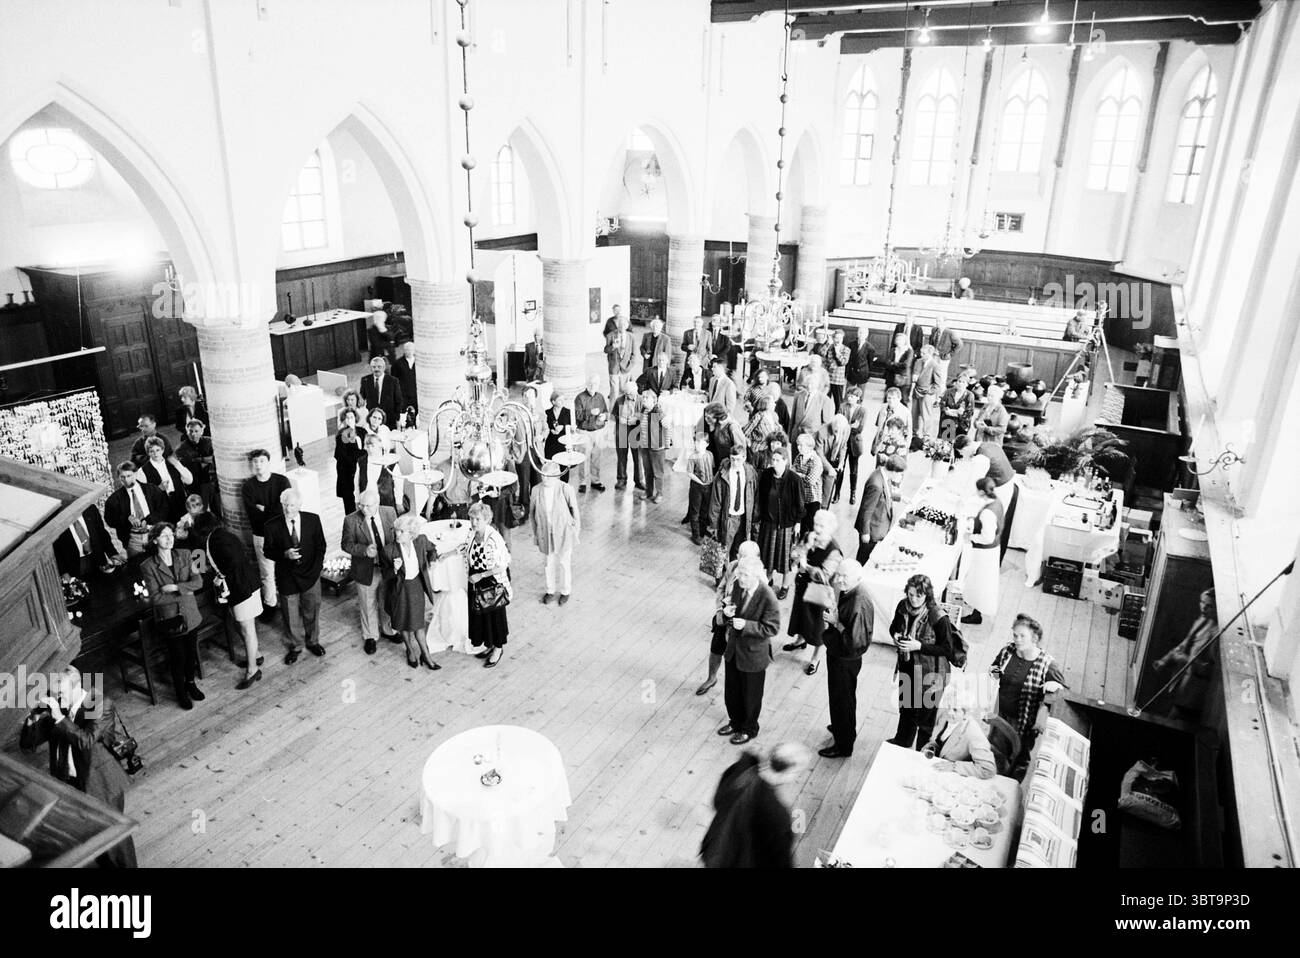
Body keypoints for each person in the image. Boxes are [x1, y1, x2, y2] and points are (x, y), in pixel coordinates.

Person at [20, 665, 138, 867]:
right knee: (91, 834)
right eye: (55, 694)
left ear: (76, 687)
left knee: (114, 837)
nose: (58, 698)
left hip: (99, 782)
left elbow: (86, 741)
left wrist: (59, 717)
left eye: (62, 693)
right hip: (70, 781)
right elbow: (28, 744)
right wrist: (33, 717)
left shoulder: (100, 703)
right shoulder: (60, 705)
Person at [700, 742, 809, 868]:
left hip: (715, 848)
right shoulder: (777, 814)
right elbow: (781, 861)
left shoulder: (740, 770)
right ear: (790, 773)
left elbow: (717, 802)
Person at [890, 573, 959, 749]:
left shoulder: (938, 616)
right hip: (908, 667)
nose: (913, 599)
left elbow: (947, 649)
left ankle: (921, 750)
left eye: (918, 596)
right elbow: (894, 627)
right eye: (911, 594)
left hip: (932, 674)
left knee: (926, 718)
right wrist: (896, 635)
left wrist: (918, 646)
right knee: (906, 709)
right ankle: (902, 741)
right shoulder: (902, 606)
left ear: (927, 595)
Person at [717, 556, 781, 745]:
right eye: (739, 574)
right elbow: (735, 612)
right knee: (732, 690)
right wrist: (728, 612)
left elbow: (772, 628)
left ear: (756, 575)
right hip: (734, 650)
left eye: (744, 575)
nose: (740, 578)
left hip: (753, 655)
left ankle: (749, 728)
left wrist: (746, 625)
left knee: (750, 695)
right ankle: (734, 721)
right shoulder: (739, 586)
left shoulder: (768, 597)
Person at [140, 522, 205, 710]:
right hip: (170, 619)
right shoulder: (148, 566)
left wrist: (176, 588)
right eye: (164, 536)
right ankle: (180, 691)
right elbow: (155, 598)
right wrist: (185, 592)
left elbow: (198, 582)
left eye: (171, 534)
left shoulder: (185, 554)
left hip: (191, 614)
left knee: (191, 653)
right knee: (178, 657)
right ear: (154, 540)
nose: (170, 539)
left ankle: (191, 683)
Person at [990, 614, 1066, 770]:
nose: (1017, 639)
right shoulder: (1007, 651)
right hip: (1001, 713)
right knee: (995, 750)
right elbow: (994, 668)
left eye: (1022, 636)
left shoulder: (1047, 664)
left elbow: (1061, 692)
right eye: (1015, 635)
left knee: (1019, 757)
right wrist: (996, 671)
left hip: (1024, 723)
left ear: (1035, 638)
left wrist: (1053, 686)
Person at [261, 488, 327, 664]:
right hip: (286, 577)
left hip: (310, 575)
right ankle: (296, 646)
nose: (288, 509)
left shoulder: (313, 520)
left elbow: (321, 546)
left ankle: (313, 641)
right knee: (290, 615)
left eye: (292, 505)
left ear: (299, 505)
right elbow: (268, 551)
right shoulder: (271, 525)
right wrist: (284, 554)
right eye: (285, 505)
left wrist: (316, 570)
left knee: (312, 611)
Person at [818, 557, 873, 758]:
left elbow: (854, 641)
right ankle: (843, 729)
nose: (839, 580)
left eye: (844, 577)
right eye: (838, 574)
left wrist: (835, 621)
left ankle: (843, 745)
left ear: (857, 577)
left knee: (843, 700)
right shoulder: (852, 590)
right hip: (839, 653)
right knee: (842, 698)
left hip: (845, 659)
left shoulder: (858, 602)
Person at [204, 521, 264, 689]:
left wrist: (221, 576)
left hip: (242, 589)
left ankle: (252, 670)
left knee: (247, 629)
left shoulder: (214, 542)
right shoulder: (224, 535)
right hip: (247, 584)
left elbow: (232, 562)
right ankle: (256, 655)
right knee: (244, 626)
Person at [783, 509, 843, 676]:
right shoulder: (809, 536)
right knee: (801, 616)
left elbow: (824, 576)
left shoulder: (834, 551)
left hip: (819, 594)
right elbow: (793, 554)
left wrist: (806, 566)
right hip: (803, 587)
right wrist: (807, 546)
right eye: (816, 523)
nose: (817, 528)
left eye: (822, 526)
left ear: (830, 528)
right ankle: (800, 640)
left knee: (818, 627)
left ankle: (815, 658)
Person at [698, 540, 762, 695]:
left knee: (737, 659)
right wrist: (720, 610)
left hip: (742, 625)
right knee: (716, 648)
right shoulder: (733, 566)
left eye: (742, 558)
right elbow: (721, 588)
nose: (738, 559)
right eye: (739, 556)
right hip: (724, 616)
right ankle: (711, 677)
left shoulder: (759, 578)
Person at [341, 488, 399, 655]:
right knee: (368, 603)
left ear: (378, 503)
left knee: (387, 599)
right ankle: (371, 636)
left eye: (368, 506)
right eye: (361, 505)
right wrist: (364, 550)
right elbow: (346, 544)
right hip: (366, 569)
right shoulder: (351, 520)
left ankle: (389, 630)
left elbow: (395, 537)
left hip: (387, 567)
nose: (364, 509)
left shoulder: (389, 512)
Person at [383, 513, 444, 671]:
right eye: (396, 530)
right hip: (399, 590)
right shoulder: (389, 550)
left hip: (416, 587)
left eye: (401, 531)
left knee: (418, 625)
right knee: (403, 623)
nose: (397, 534)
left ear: (411, 534)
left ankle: (426, 655)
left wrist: (431, 560)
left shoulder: (420, 540)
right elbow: (385, 576)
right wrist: (394, 570)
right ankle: (410, 650)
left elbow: (432, 549)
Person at [1151, 589, 1218, 720]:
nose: (1203, 607)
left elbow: (1213, 672)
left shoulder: (1217, 634)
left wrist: (1186, 660)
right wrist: (1165, 660)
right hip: (1180, 682)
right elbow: (1185, 643)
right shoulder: (1202, 620)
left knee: (1173, 720)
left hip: (1194, 694)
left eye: (1209, 606)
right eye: (1202, 602)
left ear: (1217, 608)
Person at [240, 449, 292, 617]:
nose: (258, 465)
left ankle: (289, 604)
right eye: (255, 462)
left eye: (261, 461)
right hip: (261, 535)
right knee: (267, 573)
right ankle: (270, 605)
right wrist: (274, 510)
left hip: (283, 533)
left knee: (286, 569)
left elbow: (288, 508)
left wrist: (266, 509)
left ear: (268, 462)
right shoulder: (248, 487)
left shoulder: (282, 481)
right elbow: (253, 515)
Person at [754, 444, 805, 599]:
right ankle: (767, 583)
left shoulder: (794, 479)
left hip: (786, 525)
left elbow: (800, 504)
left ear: (785, 461)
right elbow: (761, 498)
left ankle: (784, 586)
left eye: (777, 460)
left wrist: (797, 522)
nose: (773, 463)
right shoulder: (767, 475)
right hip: (768, 524)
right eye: (773, 459)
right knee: (767, 558)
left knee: (786, 560)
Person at [467, 501, 512, 668]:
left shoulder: (494, 538)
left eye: (477, 519)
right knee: (483, 616)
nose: (473, 522)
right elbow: (465, 547)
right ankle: (490, 644)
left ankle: (498, 648)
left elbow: (502, 565)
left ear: (486, 519)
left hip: (491, 582)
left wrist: (481, 575)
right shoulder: (472, 533)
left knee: (495, 616)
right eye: (471, 518)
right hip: (477, 581)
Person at [530, 459, 580, 605]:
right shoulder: (536, 490)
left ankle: (565, 591)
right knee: (548, 563)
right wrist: (536, 534)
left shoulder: (565, 488)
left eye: (547, 475)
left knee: (564, 563)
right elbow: (532, 514)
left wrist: (576, 530)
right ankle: (550, 590)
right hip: (546, 532)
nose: (544, 478)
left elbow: (575, 510)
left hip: (564, 532)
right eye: (542, 475)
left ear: (556, 476)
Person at [922, 686, 998, 779]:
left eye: (955, 709)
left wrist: (954, 767)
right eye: (948, 706)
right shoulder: (949, 717)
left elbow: (988, 770)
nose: (949, 712)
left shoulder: (973, 733)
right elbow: (942, 742)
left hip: (958, 777)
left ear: (966, 714)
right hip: (939, 769)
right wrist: (932, 746)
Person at [960, 477, 1004, 626]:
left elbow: (987, 537)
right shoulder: (997, 502)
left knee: (979, 582)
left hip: (984, 552)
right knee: (982, 581)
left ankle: (976, 613)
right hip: (993, 550)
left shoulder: (987, 513)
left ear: (980, 491)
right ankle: (976, 609)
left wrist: (970, 536)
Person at [104, 461, 169, 557]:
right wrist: (127, 518)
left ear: (135, 474)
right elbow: (110, 521)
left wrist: (148, 521)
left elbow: (164, 509)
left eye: (129, 476)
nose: (126, 480)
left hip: (155, 534)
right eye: (122, 477)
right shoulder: (113, 500)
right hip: (132, 540)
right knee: (137, 567)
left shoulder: (152, 489)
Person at [705, 452, 758, 561]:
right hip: (728, 518)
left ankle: (733, 574)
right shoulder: (723, 474)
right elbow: (715, 501)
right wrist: (714, 524)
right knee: (723, 549)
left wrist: (754, 519)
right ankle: (720, 575)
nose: (734, 462)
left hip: (743, 518)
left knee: (738, 550)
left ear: (744, 458)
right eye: (732, 459)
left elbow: (755, 494)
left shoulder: (750, 472)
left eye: (738, 459)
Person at [855, 453, 904, 563]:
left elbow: (886, 493)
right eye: (900, 474)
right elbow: (866, 510)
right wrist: (865, 533)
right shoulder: (875, 484)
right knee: (864, 559)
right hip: (872, 531)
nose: (900, 477)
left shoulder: (883, 475)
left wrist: (900, 497)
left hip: (878, 528)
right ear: (894, 471)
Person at [54, 504, 123, 578]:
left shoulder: (90, 509)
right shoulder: (56, 520)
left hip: (98, 558)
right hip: (76, 565)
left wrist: (112, 553)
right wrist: (64, 572)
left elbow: (102, 533)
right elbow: (56, 549)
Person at [138, 436, 193, 522]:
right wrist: (157, 489)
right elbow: (143, 496)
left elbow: (189, 480)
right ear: (148, 453)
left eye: (158, 450)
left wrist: (177, 464)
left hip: (180, 502)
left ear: (163, 450)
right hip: (161, 509)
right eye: (151, 451)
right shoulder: (142, 471)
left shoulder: (172, 463)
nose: (155, 454)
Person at [175, 418, 219, 516]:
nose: (193, 434)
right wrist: (206, 459)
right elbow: (187, 466)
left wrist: (197, 459)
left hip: (212, 481)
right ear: (187, 432)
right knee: (200, 511)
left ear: (202, 431)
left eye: (196, 431)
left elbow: (215, 458)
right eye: (190, 431)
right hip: (196, 484)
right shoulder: (181, 449)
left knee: (217, 509)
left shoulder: (210, 442)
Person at [573, 374, 609, 492]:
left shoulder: (600, 397)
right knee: (583, 458)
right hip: (584, 432)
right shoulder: (580, 398)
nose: (593, 386)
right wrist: (590, 413)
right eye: (591, 383)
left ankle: (595, 481)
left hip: (598, 431)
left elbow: (606, 412)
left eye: (596, 384)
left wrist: (604, 416)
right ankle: (582, 482)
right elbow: (577, 416)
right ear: (587, 384)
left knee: (596, 457)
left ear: (598, 385)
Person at [637, 389, 670, 503]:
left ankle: (659, 493)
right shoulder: (643, 410)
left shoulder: (658, 411)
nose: (644, 399)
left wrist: (666, 445)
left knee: (658, 472)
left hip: (657, 447)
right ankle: (648, 491)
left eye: (647, 398)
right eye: (643, 397)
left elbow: (667, 426)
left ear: (654, 400)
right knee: (647, 470)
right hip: (644, 445)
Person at [334, 408, 368, 515]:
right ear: (344, 420)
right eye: (347, 417)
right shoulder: (342, 435)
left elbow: (367, 447)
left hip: (362, 469)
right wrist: (360, 456)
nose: (349, 419)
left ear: (356, 418)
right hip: (348, 473)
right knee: (350, 505)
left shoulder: (362, 431)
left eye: (352, 417)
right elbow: (341, 455)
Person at [612, 379, 643, 491]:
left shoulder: (641, 400)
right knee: (621, 457)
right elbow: (614, 414)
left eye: (629, 393)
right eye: (625, 393)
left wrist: (636, 419)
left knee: (637, 457)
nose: (627, 395)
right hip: (622, 430)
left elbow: (646, 416)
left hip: (636, 432)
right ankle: (621, 479)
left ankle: (639, 480)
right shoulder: (619, 400)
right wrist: (619, 419)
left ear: (636, 391)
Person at [683, 435, 715, 544]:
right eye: (696, 443)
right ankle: (695, 535)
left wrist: (710, 482)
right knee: (695, 511)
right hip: (697, 487)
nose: (697, 445)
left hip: (708, 487)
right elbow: (689, 473)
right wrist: (701, 482)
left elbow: (712, 468)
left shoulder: (710, 455)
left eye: (700, 443)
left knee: (705, 510)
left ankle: (702, 531)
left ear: (707, 444)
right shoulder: (693, 456)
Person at [840, 388, 869, 505]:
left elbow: (859, 428)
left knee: (854, 470)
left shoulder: (863, 410)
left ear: (858, 398)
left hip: (854, 443)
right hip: (842, 441)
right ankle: (837, 493)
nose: (849, 398)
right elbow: (838, 423)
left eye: (852, 396)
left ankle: (853, 493)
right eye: (848, 395)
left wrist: (846, 425)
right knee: (840, 467)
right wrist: (851, 425)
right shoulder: (842, 407)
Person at [357, 432, 400, 511]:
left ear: (380, 445)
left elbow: (399, 484)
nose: (370, 449)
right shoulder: (361, 461)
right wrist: (357, 501)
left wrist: (399, 502)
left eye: (373, 446)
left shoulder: (391, 461)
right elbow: (356, 483)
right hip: (367, 503)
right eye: (367, 446)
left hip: (386, 502)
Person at [910, 343, 943, 445]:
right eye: (921, 352)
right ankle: (914, 434)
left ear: (930, 354)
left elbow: (937, 384)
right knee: (914, 413)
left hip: (927, 393)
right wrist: (914, 377)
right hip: (916, 390)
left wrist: (930, 392)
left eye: (924, 353)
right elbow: (915, 373)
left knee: (926, 415)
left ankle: (926, 435)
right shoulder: (918, 361)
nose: (921, 355)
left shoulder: (935, 365)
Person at [791, 431, 824, 531]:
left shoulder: (816, 461)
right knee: (800, 526)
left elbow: (810, 481)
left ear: (810, 447)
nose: (798, 447)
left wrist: (798, 475)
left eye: (801, 445)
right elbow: (791, 473)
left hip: (812, 499)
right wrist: (801, 476)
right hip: (800, 497)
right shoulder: (799, 457)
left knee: (810, 526)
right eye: (798, 445)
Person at [360, 354, 405, 426]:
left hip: (389, 418)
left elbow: (398, 400)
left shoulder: (393, 381)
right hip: (373, 418)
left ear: (384, 367)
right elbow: (362, 396)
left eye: (379, 367)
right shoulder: (365, 380)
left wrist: (397, 417)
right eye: (374, 367)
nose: (376, 369)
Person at [816, 413, 850, 505]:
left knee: (828, 492)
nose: (838, 432)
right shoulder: (821, 432)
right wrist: (829, 468)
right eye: (836, 430)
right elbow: (819, 454)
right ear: (832, 425)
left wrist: (841, 462)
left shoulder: (846, 429)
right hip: (822, 462)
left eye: (840, 430)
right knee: (820, 492)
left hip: (835, 460)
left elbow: (843, 446)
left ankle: (824, 509)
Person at [939, 368, 976, 444]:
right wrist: (947, 411)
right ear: (956, 382)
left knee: (958, 446)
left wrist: (953, 412)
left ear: (967, 384)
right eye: (959, 381)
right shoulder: (948, 392)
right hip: (947, 421)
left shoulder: (970, 395)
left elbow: (969, 412)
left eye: (963, 382)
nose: (960, 384)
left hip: (961, 425)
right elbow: (942, 404)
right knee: (946, 445)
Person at [605, 312, 636, 399]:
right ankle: (613, 411)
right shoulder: (610, 335)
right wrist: (612, 347)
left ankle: (622, 411)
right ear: (618, 325)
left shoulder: (631, 337)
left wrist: (629, 367)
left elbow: (634, 354)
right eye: (620, 324)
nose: (622, 326)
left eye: (624, 325)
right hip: (614, 368)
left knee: (624, 391)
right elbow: (605, 350)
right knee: (614, 393)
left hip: (625, 368)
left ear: (626, 326)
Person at [928, 316, 964, 387]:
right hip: (934, 356)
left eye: (940, 321)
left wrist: (950, 354)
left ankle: (941, 395)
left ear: (945, 323)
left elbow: (959, 345)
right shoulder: (934, 330)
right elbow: (931, 341)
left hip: (943, 358)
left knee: (941, 376)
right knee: (932, 374)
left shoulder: (950, 333)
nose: (937, 323)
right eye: (937, 321)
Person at [824, 329, 850, 410]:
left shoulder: (846, 349)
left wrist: (837, 351)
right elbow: (821, 353)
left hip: (838, 380)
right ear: (833, 338)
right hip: (827, 379)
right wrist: (827, 344)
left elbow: (843, 362)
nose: (838, 340)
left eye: (840, 338)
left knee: (838, 402)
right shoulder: (829, 346)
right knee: (825, 401)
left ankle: (838, 418)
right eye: (836, 338)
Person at [393, 339, 418, 412]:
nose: (409, 352)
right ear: (404, 351)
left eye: (411, 350)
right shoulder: (397, 363)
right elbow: (394, 379)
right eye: (407, 350)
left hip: (416, 393)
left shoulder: (419, 362)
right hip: (403, 394)